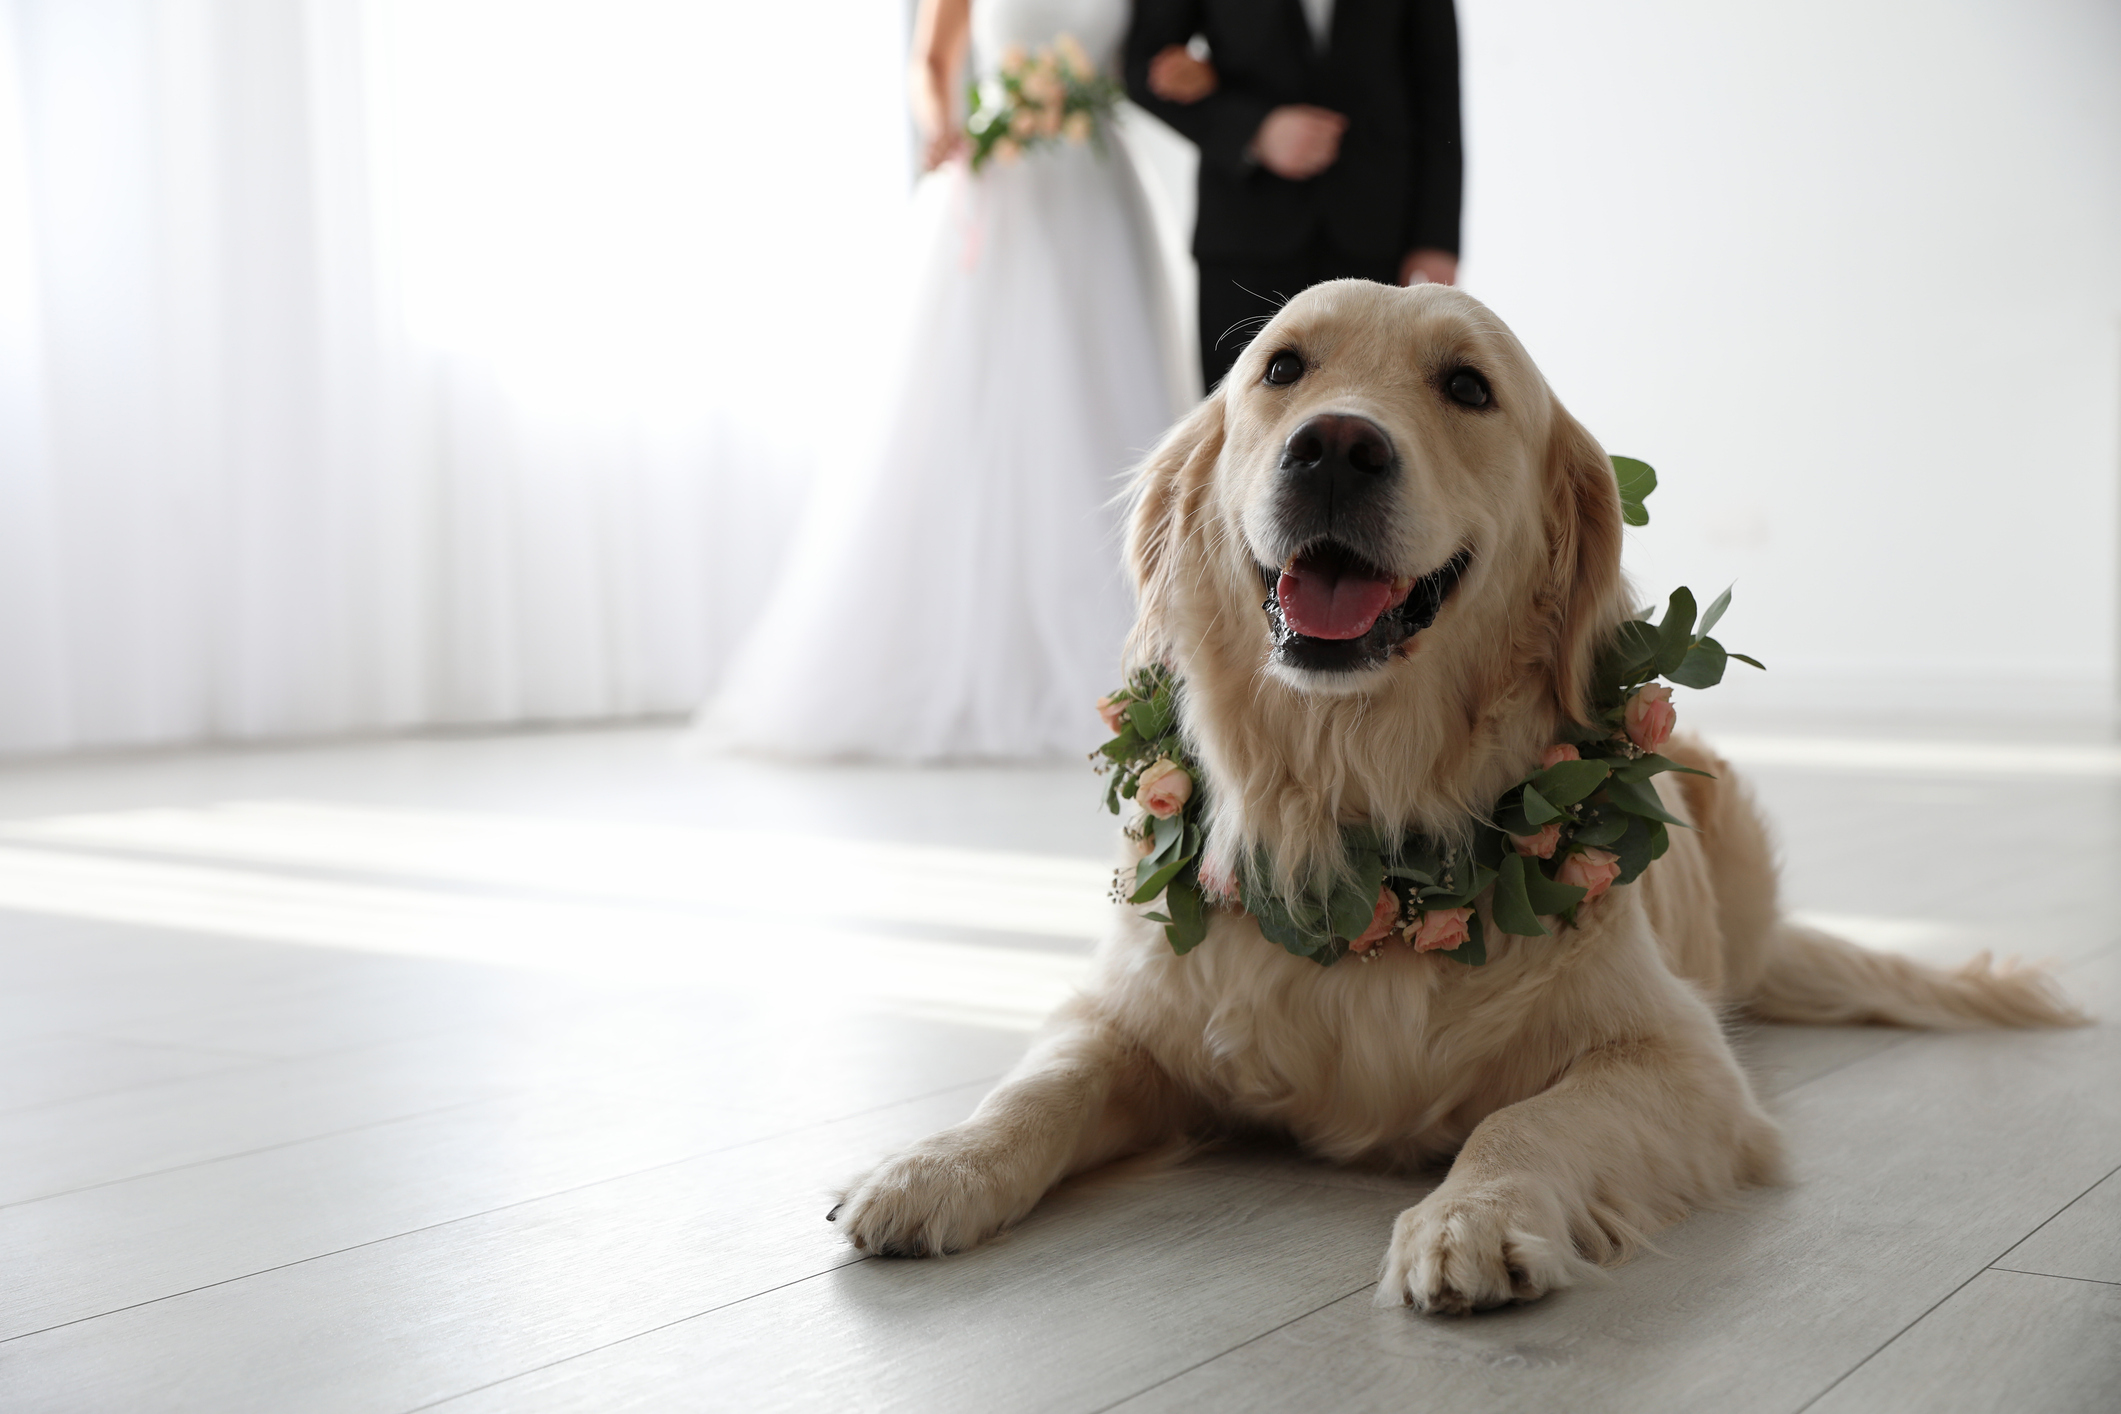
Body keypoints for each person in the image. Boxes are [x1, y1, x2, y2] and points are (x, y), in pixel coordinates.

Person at [695, 0, 1191, 761]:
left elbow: (1150, 61)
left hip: (1097, 188)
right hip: (1000, 181)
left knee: (1106, 401)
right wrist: (941, 127)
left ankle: (1145, 655)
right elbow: (931, 62)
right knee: (971, 410)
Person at [1125, 0, 1463, 391]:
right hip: (1246, 234)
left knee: (1371, 418)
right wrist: (1254, 131)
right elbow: (1142, 67)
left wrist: (1436, 239)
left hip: (1377, 232)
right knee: (1238, 432)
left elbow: (1439, 89)